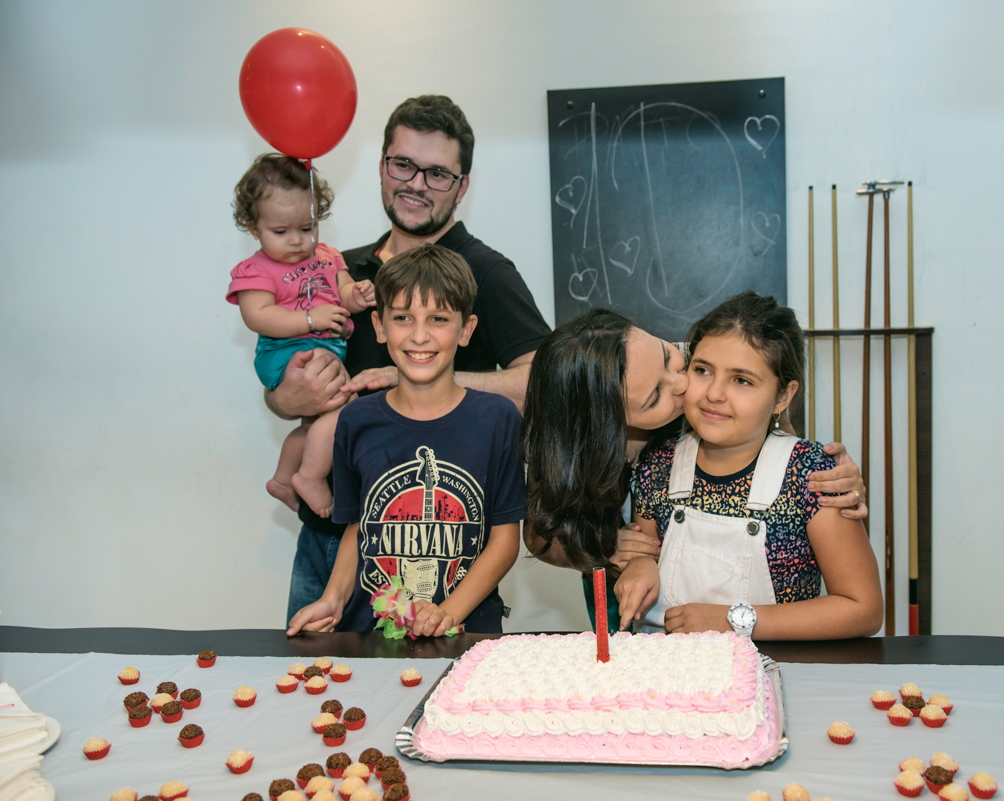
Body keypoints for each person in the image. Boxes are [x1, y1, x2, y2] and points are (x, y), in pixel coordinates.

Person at [267, 95, 551, 622]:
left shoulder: (487, 274)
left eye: (438, 173)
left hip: (446, 549)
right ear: (381, 167)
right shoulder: (338, 272)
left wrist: (422, 380)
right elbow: (283, 374)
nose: (416, 183)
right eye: (403, 164)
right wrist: (284, 398)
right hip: (333, 539)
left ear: (462, 186)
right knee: (325, 696)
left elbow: (546, 383)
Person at [522, 306, 869, 633]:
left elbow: (777, 450)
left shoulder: (722, 391)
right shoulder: (640, 464)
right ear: (607, 425)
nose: (685, 386)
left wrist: (822, 476)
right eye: (655, 395)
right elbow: (541, 535)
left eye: (671, 358)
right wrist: (610, 553)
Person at [611, 292, 883, 639]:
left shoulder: (811, 474)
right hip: (672, 680)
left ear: (782, 396)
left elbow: (863, 608)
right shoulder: (659, 463)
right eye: (703, 370)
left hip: (773, 674)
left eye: (742, 380)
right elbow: (644, 549)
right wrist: (639, 566)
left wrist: (735, 621)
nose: (714, 393)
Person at [286, 243, 525, 636]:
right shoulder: (355, 419)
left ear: (466, 330)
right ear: (379, 326)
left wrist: (449, 612)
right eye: (402, 317)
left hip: (469, 632)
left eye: (438, 319)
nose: (419, 335)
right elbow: (358, 527)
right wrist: (333, 597)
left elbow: (504, 538)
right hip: (369, 635)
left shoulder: (498, 418)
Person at [226, 154, 375, 517]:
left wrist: (356, 296)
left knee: (317, 425)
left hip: (324, 345)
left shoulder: (328, 256)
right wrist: (311, 320)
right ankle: (310, 476)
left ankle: (282, 478)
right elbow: (257, 316)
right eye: (281, 232)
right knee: (344, 408)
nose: (296, 241)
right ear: (252, 225)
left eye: (306, 229)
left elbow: (342, 295)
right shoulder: (256, 270)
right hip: (287, 350)